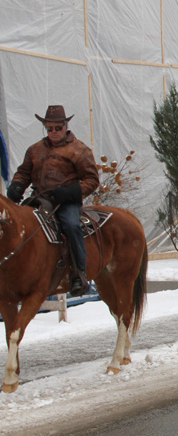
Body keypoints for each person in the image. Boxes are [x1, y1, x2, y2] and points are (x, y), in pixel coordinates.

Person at [6, 105, 100, 296]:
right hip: (38, 199)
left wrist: (70, 192)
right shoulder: (34, 149)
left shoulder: (79, 150)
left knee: (72, 226)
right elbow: (23, 173)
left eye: (57, 128)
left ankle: (79, 275)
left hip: (66, 202)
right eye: (50, 128)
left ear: (65, 126)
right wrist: (16, 186)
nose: (54, 132)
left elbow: (92, 180)